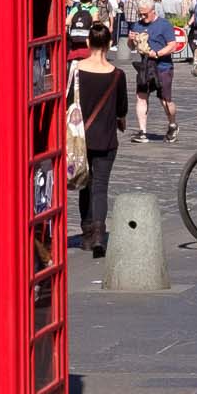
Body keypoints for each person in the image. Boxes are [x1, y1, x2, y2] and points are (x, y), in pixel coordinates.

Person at [73, 19, 127, 258]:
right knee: (100, 189)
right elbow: (121, 109)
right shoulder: (117, 74)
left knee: (85, 185)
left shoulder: (75, 70)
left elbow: (67, 103)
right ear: (109, 44)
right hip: (106, 138)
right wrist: (120, 119)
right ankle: (99, 236)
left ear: (88, 42)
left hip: (80, 138)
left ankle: (86, 233)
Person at [132, 0, 185, 143]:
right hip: (145, 66)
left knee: (165, 100)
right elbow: (132, 45)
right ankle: (142, 131)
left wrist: (157, 54)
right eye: (140, 14)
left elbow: (172, 46)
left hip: (162, 66)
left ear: (152, 11)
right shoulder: (138, 25)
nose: (142, 17)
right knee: (141, 96)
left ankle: (173, 124)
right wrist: (131, 40)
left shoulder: (164, 24)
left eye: (145, 14)